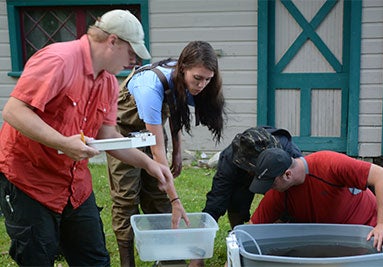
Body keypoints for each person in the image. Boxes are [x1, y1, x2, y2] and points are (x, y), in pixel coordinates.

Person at [0, 9, 188, 267]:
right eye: (131, 53)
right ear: (112, 41)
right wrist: (63, 142)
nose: (134, 62)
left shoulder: (109, 83)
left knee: (95, 260)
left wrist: (149, 164)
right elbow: (14, 111)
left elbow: (108, 135)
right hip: (29, 181)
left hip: (74, 185)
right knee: (37, 258)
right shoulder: (59, 60)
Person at [106, 41, 225, 266]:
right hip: (124, 135)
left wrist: (178, 152)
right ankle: (126, 261)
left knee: (157, 196)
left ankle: (169, 258)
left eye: (208, 79)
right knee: (126, 198)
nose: (202, 85)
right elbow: (157, 152)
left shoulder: (182, 78)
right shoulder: (149, 88)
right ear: (182, 69)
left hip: (152, 129)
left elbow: (174, 109)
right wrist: (176, 199)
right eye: (198, 78)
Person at [189, 126, 301, 267]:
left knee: (287, 207)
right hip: (240, 175)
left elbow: (299, 194)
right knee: (236, 201)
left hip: (279, 179)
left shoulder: (287, 154)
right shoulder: (230, 160)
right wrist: (198, 254)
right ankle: (239, 241)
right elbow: (214, 204)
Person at [249, 147, 383, 252]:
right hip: (328, 240)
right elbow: (250, 231)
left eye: (271, 184)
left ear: (287, 175)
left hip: (365, 231)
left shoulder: (328, 164)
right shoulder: (279, 193)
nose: (269, 189)